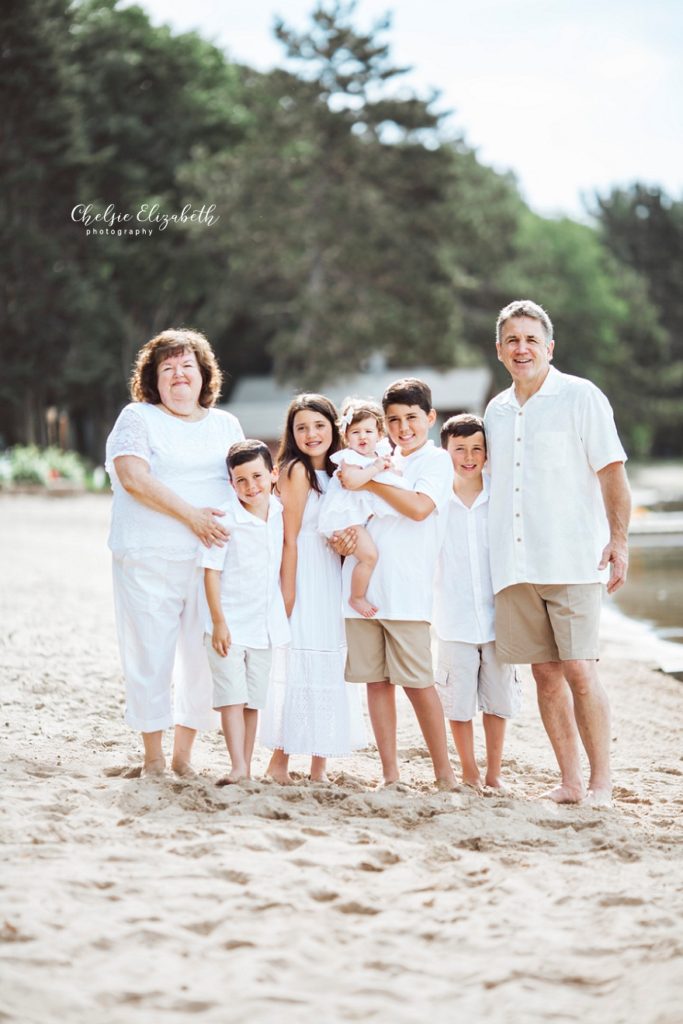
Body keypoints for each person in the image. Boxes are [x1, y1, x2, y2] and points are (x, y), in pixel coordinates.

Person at [485, 299, 631, 807]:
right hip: (515, 564)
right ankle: (569, 782)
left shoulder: (580, 397)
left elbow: (612, 471)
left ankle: (601, 783)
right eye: (512, 340)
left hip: (572, 559)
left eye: (531, 339)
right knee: (544, 675)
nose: (521, 348)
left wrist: (619, 541)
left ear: (549, 347)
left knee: (580, 671)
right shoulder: (496, 411)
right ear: (500, 350)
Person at [105, 328, 244, 776]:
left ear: (204, 375)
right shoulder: (138, 418)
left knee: (203, 658)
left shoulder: (226, 425)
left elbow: (247, 484)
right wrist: (192, 517)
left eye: (188, 366)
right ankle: (153, 758)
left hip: (209, 563)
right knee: (151, 654)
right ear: (154, 380)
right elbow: (132, 477)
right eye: (168, 369)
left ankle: (184, 756)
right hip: (149, 555)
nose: (179, 375)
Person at [338, 378, 457, 790]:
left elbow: (420, 508)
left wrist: (368, 480)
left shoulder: (435, 461)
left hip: (407, 590)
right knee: (377, 681)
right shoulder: (376, 455)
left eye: (411, 418)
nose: (403, 427)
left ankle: (445, 774)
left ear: (429, 417)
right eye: (393, 420)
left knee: (419, 684)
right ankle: (390, 774)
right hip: (365, 589)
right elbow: (348, 508)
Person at [260, 394, 366, 783]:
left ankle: (319, 766)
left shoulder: (341, 473)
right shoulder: (295, 471)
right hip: (303, 574)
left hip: (331, 577)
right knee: (299, 662)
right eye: (301, 427)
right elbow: (289, 538)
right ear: (291, 433)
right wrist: (287, 594)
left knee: (329, 664)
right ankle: (279, 763)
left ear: (333, 428)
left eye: (319, 425)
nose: (311, 434)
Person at [434, 414, 521, 791]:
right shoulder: (435, 499)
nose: (469, 457)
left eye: (476, 449)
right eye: (459, 449)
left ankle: (493, 772)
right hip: (452, 617)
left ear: (487, 453)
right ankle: (469, 771)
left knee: (498, 700)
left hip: (499, 616)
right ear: (445, 451)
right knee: (458, 701)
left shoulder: (500, 495)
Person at [202, 439, 289, 785]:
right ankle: (237, 765)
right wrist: (219, 623)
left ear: (273, 474)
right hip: (228, 626)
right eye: (241, 480)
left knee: (253, 701)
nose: (251, 486)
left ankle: (246, 767)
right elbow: (211, 572)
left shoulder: (280, 512)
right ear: (231, 483)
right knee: (232, 698)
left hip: (264, 625)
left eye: (257, 476)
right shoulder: (226, 519)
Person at [318, 398, 412, 618]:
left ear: (379, 434)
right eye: (356, 432)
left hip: (353, 519)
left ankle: (358, 594)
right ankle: (356, 597)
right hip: (342, 519)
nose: (362, 437)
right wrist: (378, 467)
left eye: (368, 431)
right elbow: (352, 480)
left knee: (370, 555)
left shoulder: (377, 457)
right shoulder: (350, 458)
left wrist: (388, 469)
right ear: (346, 437)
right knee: (369, 556)